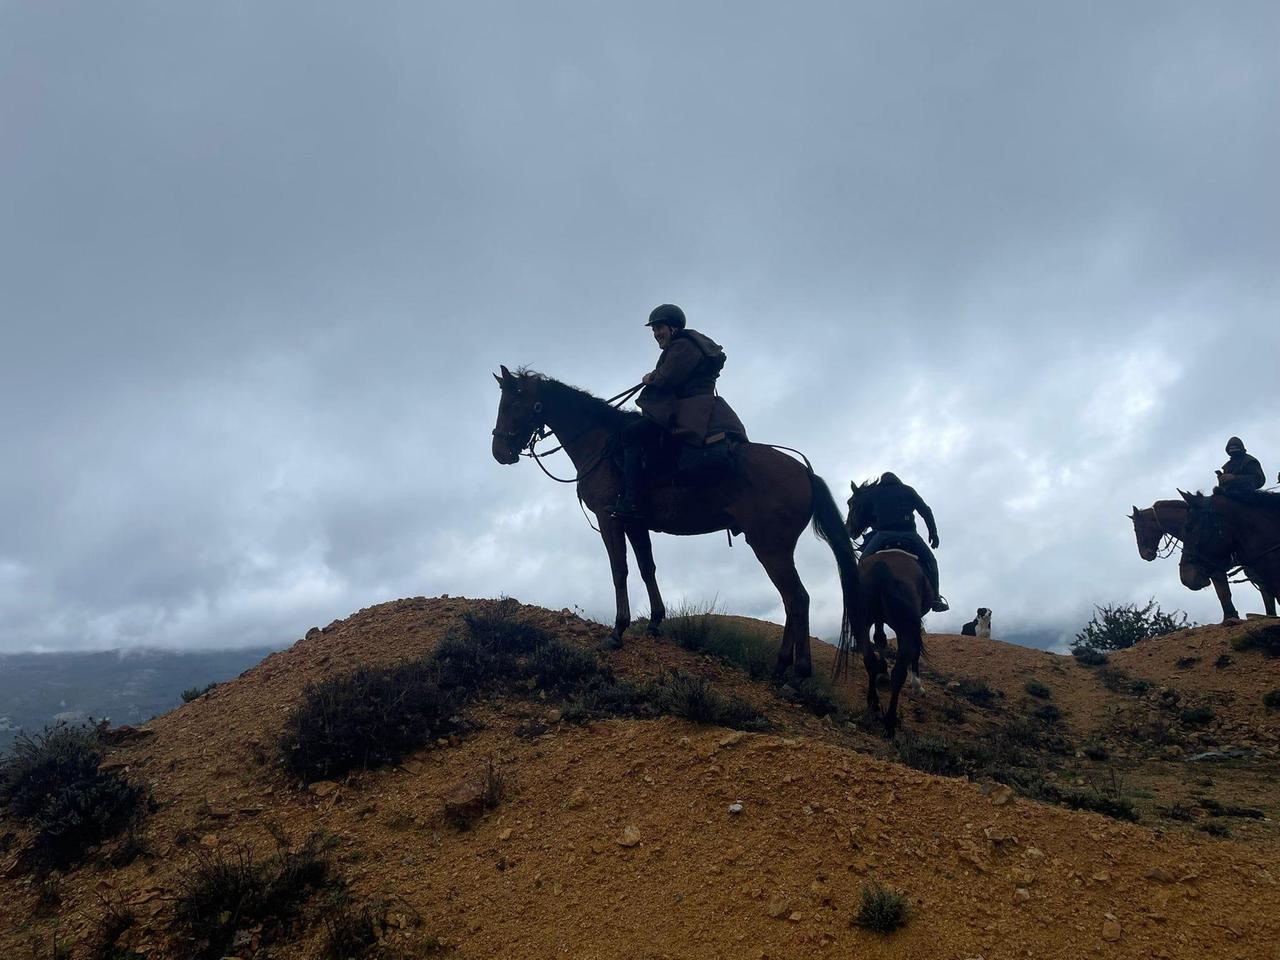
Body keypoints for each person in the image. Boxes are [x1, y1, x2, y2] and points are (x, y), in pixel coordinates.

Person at [612, 304, 747, 520]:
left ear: (673, 328)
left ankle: (633, 501)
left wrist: (650, 378)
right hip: (692, 407)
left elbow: (667, 379)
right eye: (654, 330)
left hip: (688, 411)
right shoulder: (683, 346)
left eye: (659, 328)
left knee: (630, 435)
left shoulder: (683, 345)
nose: (656, 334)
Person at [849, 472, 949, 612]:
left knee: (863, 562)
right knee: (931, 561)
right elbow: (926, 511)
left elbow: (862, 513)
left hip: (883, 534)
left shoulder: (874, 492)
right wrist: (933, 533)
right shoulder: (908, 490)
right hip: (909, 534)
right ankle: (936, 599)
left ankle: (856, 597)